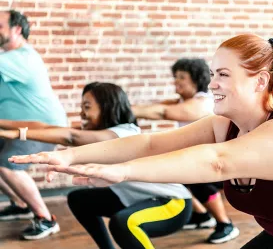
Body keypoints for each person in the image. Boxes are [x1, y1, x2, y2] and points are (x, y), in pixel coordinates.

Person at [11, 34, 273, 249]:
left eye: (223, 75)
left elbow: (219, 164)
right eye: (213, 74)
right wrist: (68, 155)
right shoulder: (221, 123)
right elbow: (151, 144)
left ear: (260, 81)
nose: (213, 84)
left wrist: (118, 173)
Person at [0, 82, 192, 249]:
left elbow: (70, 136)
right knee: (79, 199)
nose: (81, 113)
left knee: (123, 223)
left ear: (107, 108)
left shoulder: (123, 133)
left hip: (172, 204)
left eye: (87, 106)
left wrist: (18, 134)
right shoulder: (99, 135)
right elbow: (44, 127)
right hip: (136, 199)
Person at [133, 58, 239, 244]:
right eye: (175, 76)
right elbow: (156, 107)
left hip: (220, 162)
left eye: (181, 77)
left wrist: (125, 109)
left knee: (194, 179)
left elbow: (163, 112)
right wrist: (125, 109)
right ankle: (201, 216)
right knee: (174, 174)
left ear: (196, 79)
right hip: (201, 158)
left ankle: (226, 224)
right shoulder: (182, 101)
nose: (176, 81)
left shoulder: (203, 102)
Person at [0, 9, 67, 240]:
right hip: (17, 127)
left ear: (16, 30)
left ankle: (46, 219)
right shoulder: (8, 60)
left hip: (43, 128)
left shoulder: (20, 57)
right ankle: (20, 204)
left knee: (7, 164)